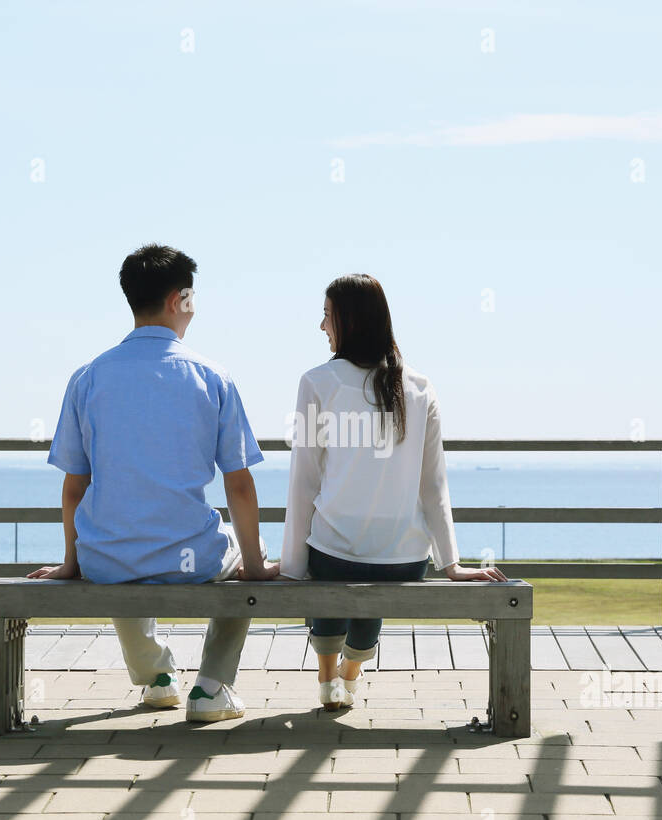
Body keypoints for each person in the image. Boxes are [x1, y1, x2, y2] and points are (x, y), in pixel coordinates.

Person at [30, 243, 278, 722]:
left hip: (106, 556)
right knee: (252, 551)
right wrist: (253, 564)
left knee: (117, 543)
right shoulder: (212, 376)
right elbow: (240, 486)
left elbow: (74, 489)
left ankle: (157, 676)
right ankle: (210, 686)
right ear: (179, 300)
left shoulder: (88, 377)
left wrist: (71, 561)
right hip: (192, 557)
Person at [280, 273, 505, 711]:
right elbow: (433, 484)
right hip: (404, 563)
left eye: (326, 317)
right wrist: (451, 564)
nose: (321, 327)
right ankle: (349, 674)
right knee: (371, 557)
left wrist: (291, 567)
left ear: (347, 321)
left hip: (333, 557)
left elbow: (304, 480)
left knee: (330, 557)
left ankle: (329, 680)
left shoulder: (317, 382)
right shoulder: (420, 387)